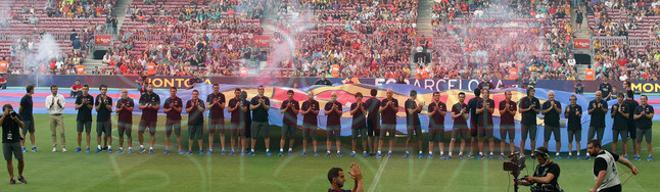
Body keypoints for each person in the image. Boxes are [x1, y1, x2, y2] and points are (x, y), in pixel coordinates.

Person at [1, 104, 27, 184]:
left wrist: (16, 119)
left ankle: (20, 175)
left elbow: (23, 126)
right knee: (8, 160)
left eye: (10, 110)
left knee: (20, 160)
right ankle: (11, 178)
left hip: (15, 141)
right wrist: (4, 116)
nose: (10, 111)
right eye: (7, 110)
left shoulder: (16, 115)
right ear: (4, 111)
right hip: (6, 141)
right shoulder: (2, 116)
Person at [138, 84, 160, 154]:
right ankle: (141, 146)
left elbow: (158, 107)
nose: (150, 88)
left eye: (151, 87)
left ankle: (151, 148)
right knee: (140, 131)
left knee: (152, 133)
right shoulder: (143, 96)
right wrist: (145, 106)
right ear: (146, 88)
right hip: (144, 117)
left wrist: (152, 106)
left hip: (153, 118)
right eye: (149, 87)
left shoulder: (156, 96)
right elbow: (140, 106)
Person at [519, 87, 541, 157]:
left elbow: (538, 111)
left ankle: (532, 153)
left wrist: (534, 109)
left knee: (533, 138)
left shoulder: (536, 100)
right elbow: (520, 110)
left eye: (533, 91)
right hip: (524, 122)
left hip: (533, 123)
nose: (533, 93)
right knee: (523, 138)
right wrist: (528, 108)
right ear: (528, 92)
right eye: (531, 91)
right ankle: (522, 153)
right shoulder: (523, 99)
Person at [250, 85, 271, 156]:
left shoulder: (266, 99)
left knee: (266, 136)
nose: (261, 91)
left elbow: (267, 108)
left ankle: (267, 150)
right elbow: (251, 108)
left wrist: (263, 103)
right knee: (254, 136)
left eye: (262, 89)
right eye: (260, 89)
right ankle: (252, 150)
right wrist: (259, 104)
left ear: (264, 90)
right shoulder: (254, 99)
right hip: (255, 120)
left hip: (264, 120)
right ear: (258, 90)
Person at [587, 91, 608, 160]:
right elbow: (589, 112)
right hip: (593, 123)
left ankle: (599, 154)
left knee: (599, 139)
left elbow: (606, 111)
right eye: (596, 95)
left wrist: (601, 107)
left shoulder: (604, 102)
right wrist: (594, 108)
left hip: (601, 124)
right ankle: (588, 153)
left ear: (601, 95)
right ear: (595, 95)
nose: (598, 96)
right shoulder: (591, 102)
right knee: (590, 138)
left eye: (599, 95)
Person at [378, 89, 398, 159]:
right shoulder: (383, 101)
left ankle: (390, 152)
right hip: (384, 122)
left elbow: (396, 110)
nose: (388, 94)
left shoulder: (395, 101)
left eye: (390, 93)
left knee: (391, 138)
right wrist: (387, 105)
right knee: (381, 138)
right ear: (386, 94)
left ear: (392, 94)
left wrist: (392, 106)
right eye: (387, 93)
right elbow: (380, 110)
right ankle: (379, 152)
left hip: (392, 123)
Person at [206, 83, 226, 155]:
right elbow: (207, 107)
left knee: (222, 133)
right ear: (212, 88)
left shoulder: (222, 96)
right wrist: (214, 103)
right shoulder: (209, 96)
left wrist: (218, 103)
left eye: (217, 88)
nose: (216, 89)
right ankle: (210, 149)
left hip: (220, 117)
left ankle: (223, 149)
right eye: (215, 88)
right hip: (212, 117)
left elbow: (223, 107)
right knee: (211, 133)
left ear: (219, 88)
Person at [45, 85, 66, 152]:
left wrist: (59, 104)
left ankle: (63, 147)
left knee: (62, 132)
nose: (55, 90)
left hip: (59, 115)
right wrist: (52, 104)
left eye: (56, 89)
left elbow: (63, 106)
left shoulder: (61, 97)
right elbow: (47, 107)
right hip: (52, 115)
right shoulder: (48, 97)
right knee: (53, 132)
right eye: (53, 89)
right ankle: (54, 146)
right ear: (51, 90)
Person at [162, 87, 183, 155]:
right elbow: (164, 110)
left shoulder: (179, 100)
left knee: (178, 134)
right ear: (170, 92)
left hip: (177, 119)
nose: (173, 92)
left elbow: (180, 110)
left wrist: (173, 106)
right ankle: (166, 149)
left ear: (176, 92)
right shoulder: (167, 100)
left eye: (174, 91)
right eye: (172, 91)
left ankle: (180, 149)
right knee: (167, 134)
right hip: (169, 119)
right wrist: (170, 108)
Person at [542, 91, 562, 159]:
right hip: (547, 124)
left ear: (554, 96)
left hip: (556, 124)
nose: (551, 96)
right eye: (550, 95)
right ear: (548, 96)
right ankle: (545, 154)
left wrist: (555, 107)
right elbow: (543, 112)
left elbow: (559, 112)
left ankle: (558, 154)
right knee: (546, 140)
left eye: (552, 95)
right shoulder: (545, 103)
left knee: (558, 139)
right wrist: (550, 107)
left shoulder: (558, 103)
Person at [633, 95, 654, 161]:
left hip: (648, 127)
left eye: (644, 99)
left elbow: (651, 116)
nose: (643, 100)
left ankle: (650, 155)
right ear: (640, 100)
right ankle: (638, 155)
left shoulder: (650, 107)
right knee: (638, 142)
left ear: (646, 99)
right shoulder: (637, 108)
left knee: (649, 142)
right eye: (641, 99)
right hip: (639, 127)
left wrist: (645, 114)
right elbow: (634, 117)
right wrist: (640, 115)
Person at [404, 90, 424, 159]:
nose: (416, 96)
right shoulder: (407, 102)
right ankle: (406, 152)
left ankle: (420, 152)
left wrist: (421, 106)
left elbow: (418, 111)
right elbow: (410, 112)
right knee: (409, 137)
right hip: (410, 122)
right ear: (415, 95)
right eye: (416, 95)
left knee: (419, 137)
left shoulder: (414, 102)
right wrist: (417, 107)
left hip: (417, 122)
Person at [427, 91, 447, 159]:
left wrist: (438, 110)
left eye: (438, 95)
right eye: (435, 95)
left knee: (441, 140)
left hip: (440, 125)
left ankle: (442, 154)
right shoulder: (431, 105)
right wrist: (434, 111)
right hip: (432, 126)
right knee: (431, 140)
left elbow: (444, 114)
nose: (437, 97)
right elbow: (429, 115)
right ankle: (430, 154)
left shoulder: (443, 104)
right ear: (433, 96)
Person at [279, 90, 299, 156]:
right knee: (283, 136)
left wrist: (292, 107)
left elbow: (297, 112)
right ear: (287, 94)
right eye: (289, 94)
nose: (290, 95)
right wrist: (287, 107)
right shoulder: (284, 102)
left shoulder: (296, 102)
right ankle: (281, 150)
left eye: (291, 94)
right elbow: (281, 111)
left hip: (293, 122)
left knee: (292, 136)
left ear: (293, 95)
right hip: (285, 122)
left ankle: (290, 150)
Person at [74, 85, 94, 153]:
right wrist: (82, 103)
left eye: (86, 89)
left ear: (88, 90)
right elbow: (76, 107)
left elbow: (91, 108)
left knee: (88, 133)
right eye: (83, 89)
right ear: (82, 90)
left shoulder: (91, 97)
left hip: (88, 117)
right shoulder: (79, 97)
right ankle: (78, 147)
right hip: (80, 117)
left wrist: (87, 104)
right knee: (79, 132)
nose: (85, 90)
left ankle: (88, 147)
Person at [449, 92, 468, 159]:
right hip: (456, 125)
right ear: (458, 97)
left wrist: (463, 113)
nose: (461, 98)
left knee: (463, 140)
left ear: (464, 97)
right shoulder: (454, 106)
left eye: (463, 97)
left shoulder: (466, 106)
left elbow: (466, 117)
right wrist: (460, 113)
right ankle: (450, 154)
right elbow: (452, 117)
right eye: (460, 97)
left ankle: (460, 154)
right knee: (453, 139)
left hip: (464, 125)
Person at [228, 89, 247, 155]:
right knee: (233, 135)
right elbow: (229, 110)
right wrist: (235, 107)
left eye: (239, 93)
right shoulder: (231, 100)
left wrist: (240, 106)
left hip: (241, 120)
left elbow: (245, 110)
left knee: (242, 135)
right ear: (234, 93)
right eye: (236, 93)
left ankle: (242, 150)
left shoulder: (243, 100)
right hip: (234, 120)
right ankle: (232, 150)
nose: (237, 94)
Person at [498, 90, 517, 159]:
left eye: (510, 94)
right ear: (505, 95)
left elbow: (514, 113)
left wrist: (509, 110)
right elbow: (501, 113)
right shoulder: (501, 103)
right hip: (503, 124)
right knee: (503, 139)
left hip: (511, 124)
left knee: (511, 139)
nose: (510, 95)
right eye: (508, 94)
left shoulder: (514, 103)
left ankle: (512, 154)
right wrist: (506, 108)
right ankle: (502, 154)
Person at [186, 90, 206, 155]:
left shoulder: (201, 101)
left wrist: (197, 105)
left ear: (198, 95)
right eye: (194, 94)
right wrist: (192, 106)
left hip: (199, 122)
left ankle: (201, 150)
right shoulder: (189, 102)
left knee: (200, 137)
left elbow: (202, 110)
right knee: (191, 136)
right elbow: (187, 110)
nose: (195, 95)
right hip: (191, 122)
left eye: (196, 94)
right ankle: (190, 150)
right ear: (192, 95)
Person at [95, 85, 113, 153]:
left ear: (106, 90)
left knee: (108, 134)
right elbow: (96, 109)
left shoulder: (109, 99)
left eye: (105, 89)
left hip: (107, 119)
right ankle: (99, 146)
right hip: (99, 119)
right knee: (99, 133)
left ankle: (109, 147)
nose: (104, 91)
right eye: (102, 89)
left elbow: (110, 109)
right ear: (100, 90)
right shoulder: (97, 98)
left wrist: (105, 103)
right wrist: (100, 103)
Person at [301, 91, 320, 156]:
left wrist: (311, 110)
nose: (310, 96)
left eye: (311, 95)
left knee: (314, 137)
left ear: (313, 95)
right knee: (305, 137)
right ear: (307, 95)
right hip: (305, 123)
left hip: (313, 123)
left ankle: (315, 151)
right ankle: (304, 151)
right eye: (309, 95)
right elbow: (302, 113)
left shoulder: (316, 103)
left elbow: (317, 112)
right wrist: (307, 111)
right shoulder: (304, 103)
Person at [115, 89, 134, 153]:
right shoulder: (119, 101)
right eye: (123, 92)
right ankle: (120, 148)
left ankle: (130, 148)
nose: (124, 93)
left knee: (129, 134)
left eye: (126, 92)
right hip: (120, 121)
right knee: (120, 135)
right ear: (121, 93)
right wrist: (121, 108)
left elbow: (131, 109)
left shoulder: (130, 100)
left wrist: (125, 106)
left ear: (127, 93)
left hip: (128, 121)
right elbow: (116, 110)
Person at [565, 95, 583, 159]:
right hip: (570, 126)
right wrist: (567, 111)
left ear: (576, 100)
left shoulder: (579, 107)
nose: (572, 101)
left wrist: (578, 114)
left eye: (574, 99)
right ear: (569, 100)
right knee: (570, 141)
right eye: (571, 99)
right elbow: (566, 116)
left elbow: (581, 116)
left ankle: (578, 154)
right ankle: (570, 154)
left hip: (578, 126)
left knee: (578, 141)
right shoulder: (567, 107)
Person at [325, 92, 343, 157]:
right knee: (329, 138)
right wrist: (332, 109)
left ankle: (338, 151)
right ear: (330, 96)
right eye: (332, 96)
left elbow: (340, 113)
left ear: (336, 97)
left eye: (334, 96)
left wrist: (336, 109)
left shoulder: (339, 104)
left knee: (337, 138)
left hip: (337, 124)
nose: (333, 97)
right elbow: (325, 113)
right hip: (329, 124)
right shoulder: (328, 104)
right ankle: (328, 151)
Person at [19, 85, 36, 153]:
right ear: (31, 90)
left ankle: (33, 146)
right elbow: (20, 108)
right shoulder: (24, 98)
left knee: (32, 132)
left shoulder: (30, 97)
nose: (34, 90)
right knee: (24, 133)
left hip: (30, 117)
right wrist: (20, 118)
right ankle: (22, 147)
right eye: (33, 89)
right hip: (25, 118)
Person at [364, 89, 380, 156]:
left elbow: (365, 111)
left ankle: (370, 151)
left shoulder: (367, 101)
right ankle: (375, 151)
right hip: (376, 120)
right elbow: (380, 111)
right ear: (376, 93)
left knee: (369, 135)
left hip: (369, 119)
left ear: (370, 93)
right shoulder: (379, 101)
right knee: (376, 136)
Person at [467, 88, 482, 158]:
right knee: (480, 138)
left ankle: (471, 153)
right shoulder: (482, 100)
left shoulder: (471, 100)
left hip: (473, 121)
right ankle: (480, 153)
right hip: (480, 121)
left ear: (474, 93)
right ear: (480, 93)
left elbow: (467, 110)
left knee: (473, 137)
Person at [623, 91, 638, 159]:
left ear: (626, 95)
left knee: (625, 138)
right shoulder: (636, 103)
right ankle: (635, 153)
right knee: (634, 138)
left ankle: (626, 154)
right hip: (634, 122)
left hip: (625, 122)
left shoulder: (624, 102)